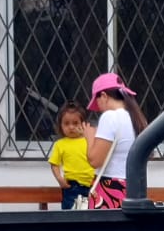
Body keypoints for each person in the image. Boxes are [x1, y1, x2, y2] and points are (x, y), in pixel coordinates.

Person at [85, 73, 147, 210]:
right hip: (132, 187)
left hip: (109, 187)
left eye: (97, 102)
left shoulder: (110, 117)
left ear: (104, 96)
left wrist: (89, 137)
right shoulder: (135, 118)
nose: (99, 109)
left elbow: (95, 161)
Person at [47, 103, 96, 210]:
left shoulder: (89, 140)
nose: (71, 127)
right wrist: (59, 179)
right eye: (66, 123)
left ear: (83, 124)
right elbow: (54, 164)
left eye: (75, 123)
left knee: (92, 215)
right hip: (72, 186)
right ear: (60, 126)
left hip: (93, 185)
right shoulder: (60, 144)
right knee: (71, 214)